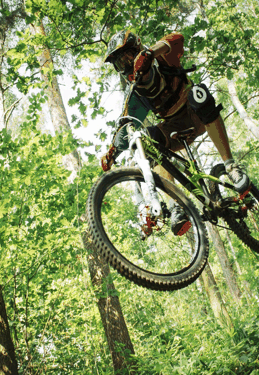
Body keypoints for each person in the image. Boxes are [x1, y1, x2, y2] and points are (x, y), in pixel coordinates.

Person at [100, 30, 250, 236]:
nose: (126, 66)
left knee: (200, 94)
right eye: (120, 64)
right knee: (147, 142)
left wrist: (150, 54)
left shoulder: (162, 59)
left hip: (194, 110)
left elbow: (177, 38)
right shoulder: (135, 94)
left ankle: (231, 166)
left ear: (137, 49)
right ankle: (176, 206)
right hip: (175, 129)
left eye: (128, 58)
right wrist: (112, 153)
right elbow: (125, 127)